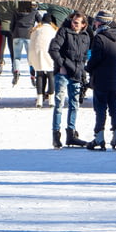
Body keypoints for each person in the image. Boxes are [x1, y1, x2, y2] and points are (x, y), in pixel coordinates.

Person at [49, 11, 91, 148]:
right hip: (64, 72)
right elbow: (53, 49)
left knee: (74, 104)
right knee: (59, 104)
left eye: (77, 23)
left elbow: (84, 55)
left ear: (83, 24)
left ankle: (71, 134)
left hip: (77, 73)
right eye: (73, 22)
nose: (74, 25)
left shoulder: (86, 36)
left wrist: (83, 73)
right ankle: (56, 134)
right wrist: (61, 65)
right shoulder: (64, 32)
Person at [85, 10, 116, 151]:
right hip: (115, 79)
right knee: (114, 108)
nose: (94, 23)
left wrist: (87, 68)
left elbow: (95, 59)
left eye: (95, 21)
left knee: (100, 108)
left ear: (101, 22)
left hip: (101, 79)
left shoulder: (99, 38)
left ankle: (99, 137)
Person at [29, 13, 56, 108]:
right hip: (49, 55)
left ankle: (39, 100)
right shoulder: (53, 30)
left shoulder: (36, 30)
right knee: (51, 75)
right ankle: (51, 100)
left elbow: (31, 45)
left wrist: (30, 61)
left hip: (37, 54)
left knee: (39, 75)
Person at [9, 1, 36, 86]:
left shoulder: (16, 12)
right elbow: (40, 21)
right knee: (30, 58)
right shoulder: (34, 11)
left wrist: (13, 33)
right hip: (29, 35)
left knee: (16, 57)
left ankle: (16, 71)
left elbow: (12, 25)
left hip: (17, 35)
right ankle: (32, 75)